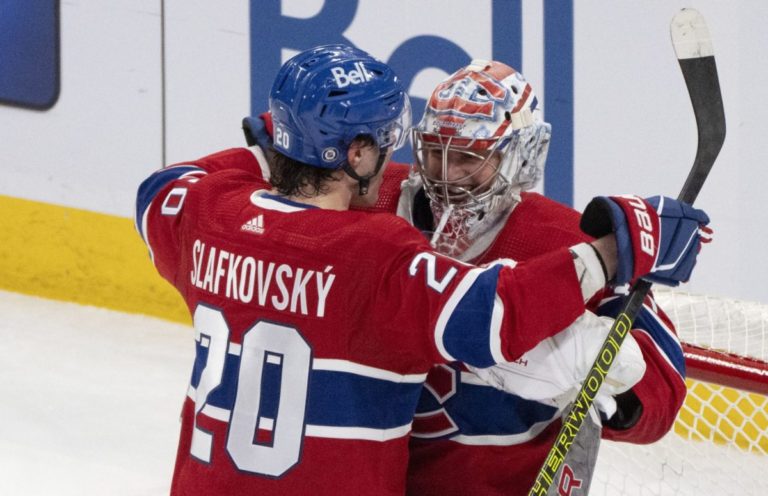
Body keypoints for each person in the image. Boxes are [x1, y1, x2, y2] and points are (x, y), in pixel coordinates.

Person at [136, 44, 708, 495]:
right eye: (433, 150)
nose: (445, 173)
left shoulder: (559, 236)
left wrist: (622, 394)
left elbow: (660, 390)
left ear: (522, 156)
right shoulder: (375, 219)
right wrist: (613, 254)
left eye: (468, 158)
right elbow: (493, 312)